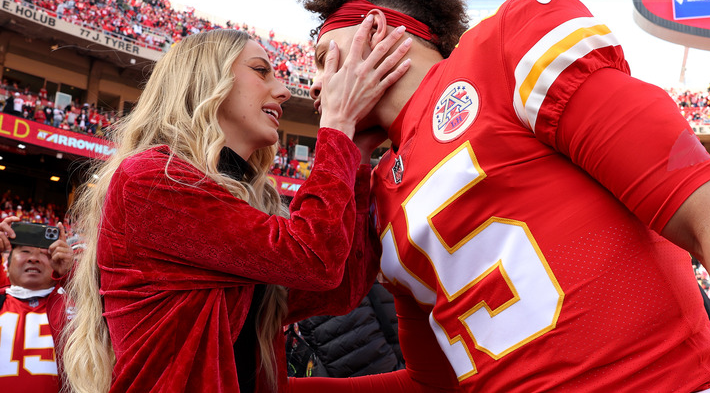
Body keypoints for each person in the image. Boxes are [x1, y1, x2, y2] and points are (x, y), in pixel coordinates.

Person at [298, 0, 710, 392]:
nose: (315, 85)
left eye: (322, 59)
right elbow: (431, 384)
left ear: (376, 27)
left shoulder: (502, 49)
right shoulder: (380, 193)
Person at [61, 26, 412, 393]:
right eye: (261, 71)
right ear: (205, 80)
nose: (284, 91)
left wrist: (355, 156)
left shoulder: (243, 194)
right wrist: (337, 128)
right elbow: (312, 258)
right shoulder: (149, 178)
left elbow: (338, 289)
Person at [0, 216, 74, 393]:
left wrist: (73, 274)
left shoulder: (73, 305)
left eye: (44, 253)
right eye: (25, 251)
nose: (34, 258)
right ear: (6, 265)